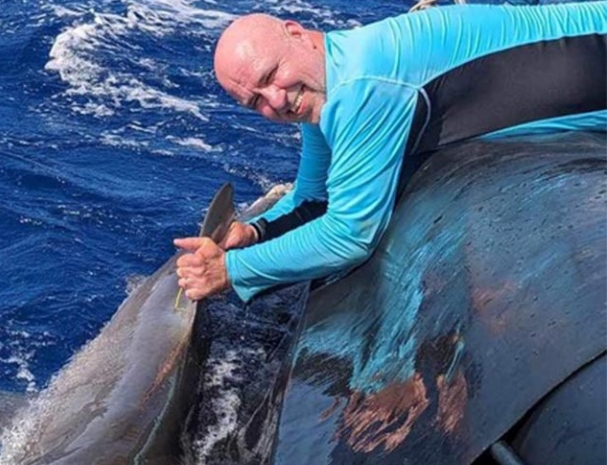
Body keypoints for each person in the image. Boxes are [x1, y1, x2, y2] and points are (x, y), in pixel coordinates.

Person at [174, 2, 607, 303]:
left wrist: (231, 272)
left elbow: (349, 236)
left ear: (297, 34)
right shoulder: (329, 83)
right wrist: (254, 235)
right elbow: (315, 196)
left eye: (272, 75)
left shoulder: (361, 87)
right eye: (256, 102)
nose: (277, 99)